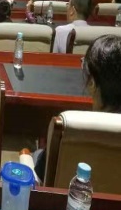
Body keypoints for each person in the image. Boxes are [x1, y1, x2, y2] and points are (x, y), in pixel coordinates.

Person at [30, 35, 121, 181]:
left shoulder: (68, 130)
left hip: (67, 196)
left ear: (92, 83)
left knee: (33, 156)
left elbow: (39, 180)